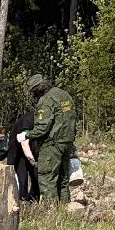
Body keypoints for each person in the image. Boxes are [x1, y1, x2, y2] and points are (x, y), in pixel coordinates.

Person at [26, 74, 76, 204]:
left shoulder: (45, 100)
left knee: (47, 177)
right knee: (63, 178)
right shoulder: (65, 95)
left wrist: (27, 134)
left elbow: (42, 128)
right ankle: (64, 208)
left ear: (37, 89)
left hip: (51, 145)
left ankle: (51, 212)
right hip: (67, 142)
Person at [5, 108, 39, 202]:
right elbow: (24, 144)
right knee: (22, 177)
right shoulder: (27, 120)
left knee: (35, 175)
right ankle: (21, 199)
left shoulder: (41, 121)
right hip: (18, 152)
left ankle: (34, 198)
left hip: (31, 150)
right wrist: (33, 162)